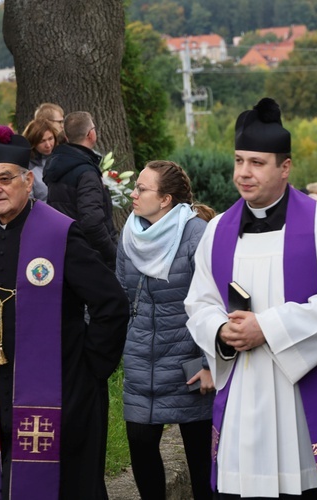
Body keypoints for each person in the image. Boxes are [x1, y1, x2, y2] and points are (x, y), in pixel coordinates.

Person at [184, 97, 317, 499]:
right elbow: (199, 302)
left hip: (308, 407)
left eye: (257, 162)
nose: (244, 173)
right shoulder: (218, 230)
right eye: (239, 161)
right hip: (244, 399)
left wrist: (265, 328)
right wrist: (221, 331)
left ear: (285, 167)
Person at [0, 125, 130, 499]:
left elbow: (112, 302)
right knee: (11, 482)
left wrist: (90, 368)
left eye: (4, 179)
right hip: (3, 388)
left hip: (65, 387)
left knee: (72, 485)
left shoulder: (58, 233)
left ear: (26, 180)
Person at [117, 160, 215, 500]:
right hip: (142, 362)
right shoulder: (130, 233)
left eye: (142, 188)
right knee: (141, 449)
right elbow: (121, 296)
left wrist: (209, 364)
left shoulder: (196, 234)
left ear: (165, 200)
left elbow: (214, 301)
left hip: (189, 364)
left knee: (202, 461)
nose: (134, 193)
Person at [44, 111, 118, 270]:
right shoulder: (86, 172)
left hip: (65, 249)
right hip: (89, 256)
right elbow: (92, 221)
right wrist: (112, 254)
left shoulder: (57, 163)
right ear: (91, 134)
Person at [22, 118, 58, 202]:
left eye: (50, 138)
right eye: (42, 141)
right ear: (33, 143)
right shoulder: (27, 167)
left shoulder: (63, 157)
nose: (48, 145)